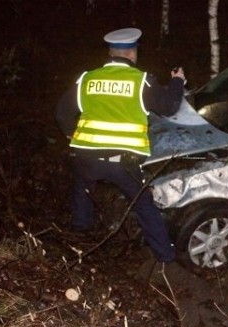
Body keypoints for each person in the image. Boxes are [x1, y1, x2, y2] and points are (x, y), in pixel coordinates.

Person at [55, 27, 185, 264]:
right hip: (123, 163)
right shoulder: (141, 81)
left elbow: (62, 113)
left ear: (110, 53)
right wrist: (177, 81)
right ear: (133, 54)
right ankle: (165, 257)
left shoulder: (88, 78)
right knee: (144, 205)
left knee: (82, 187)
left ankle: (78, 236)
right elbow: (169, 107)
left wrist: (71, 136)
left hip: (86, 157)